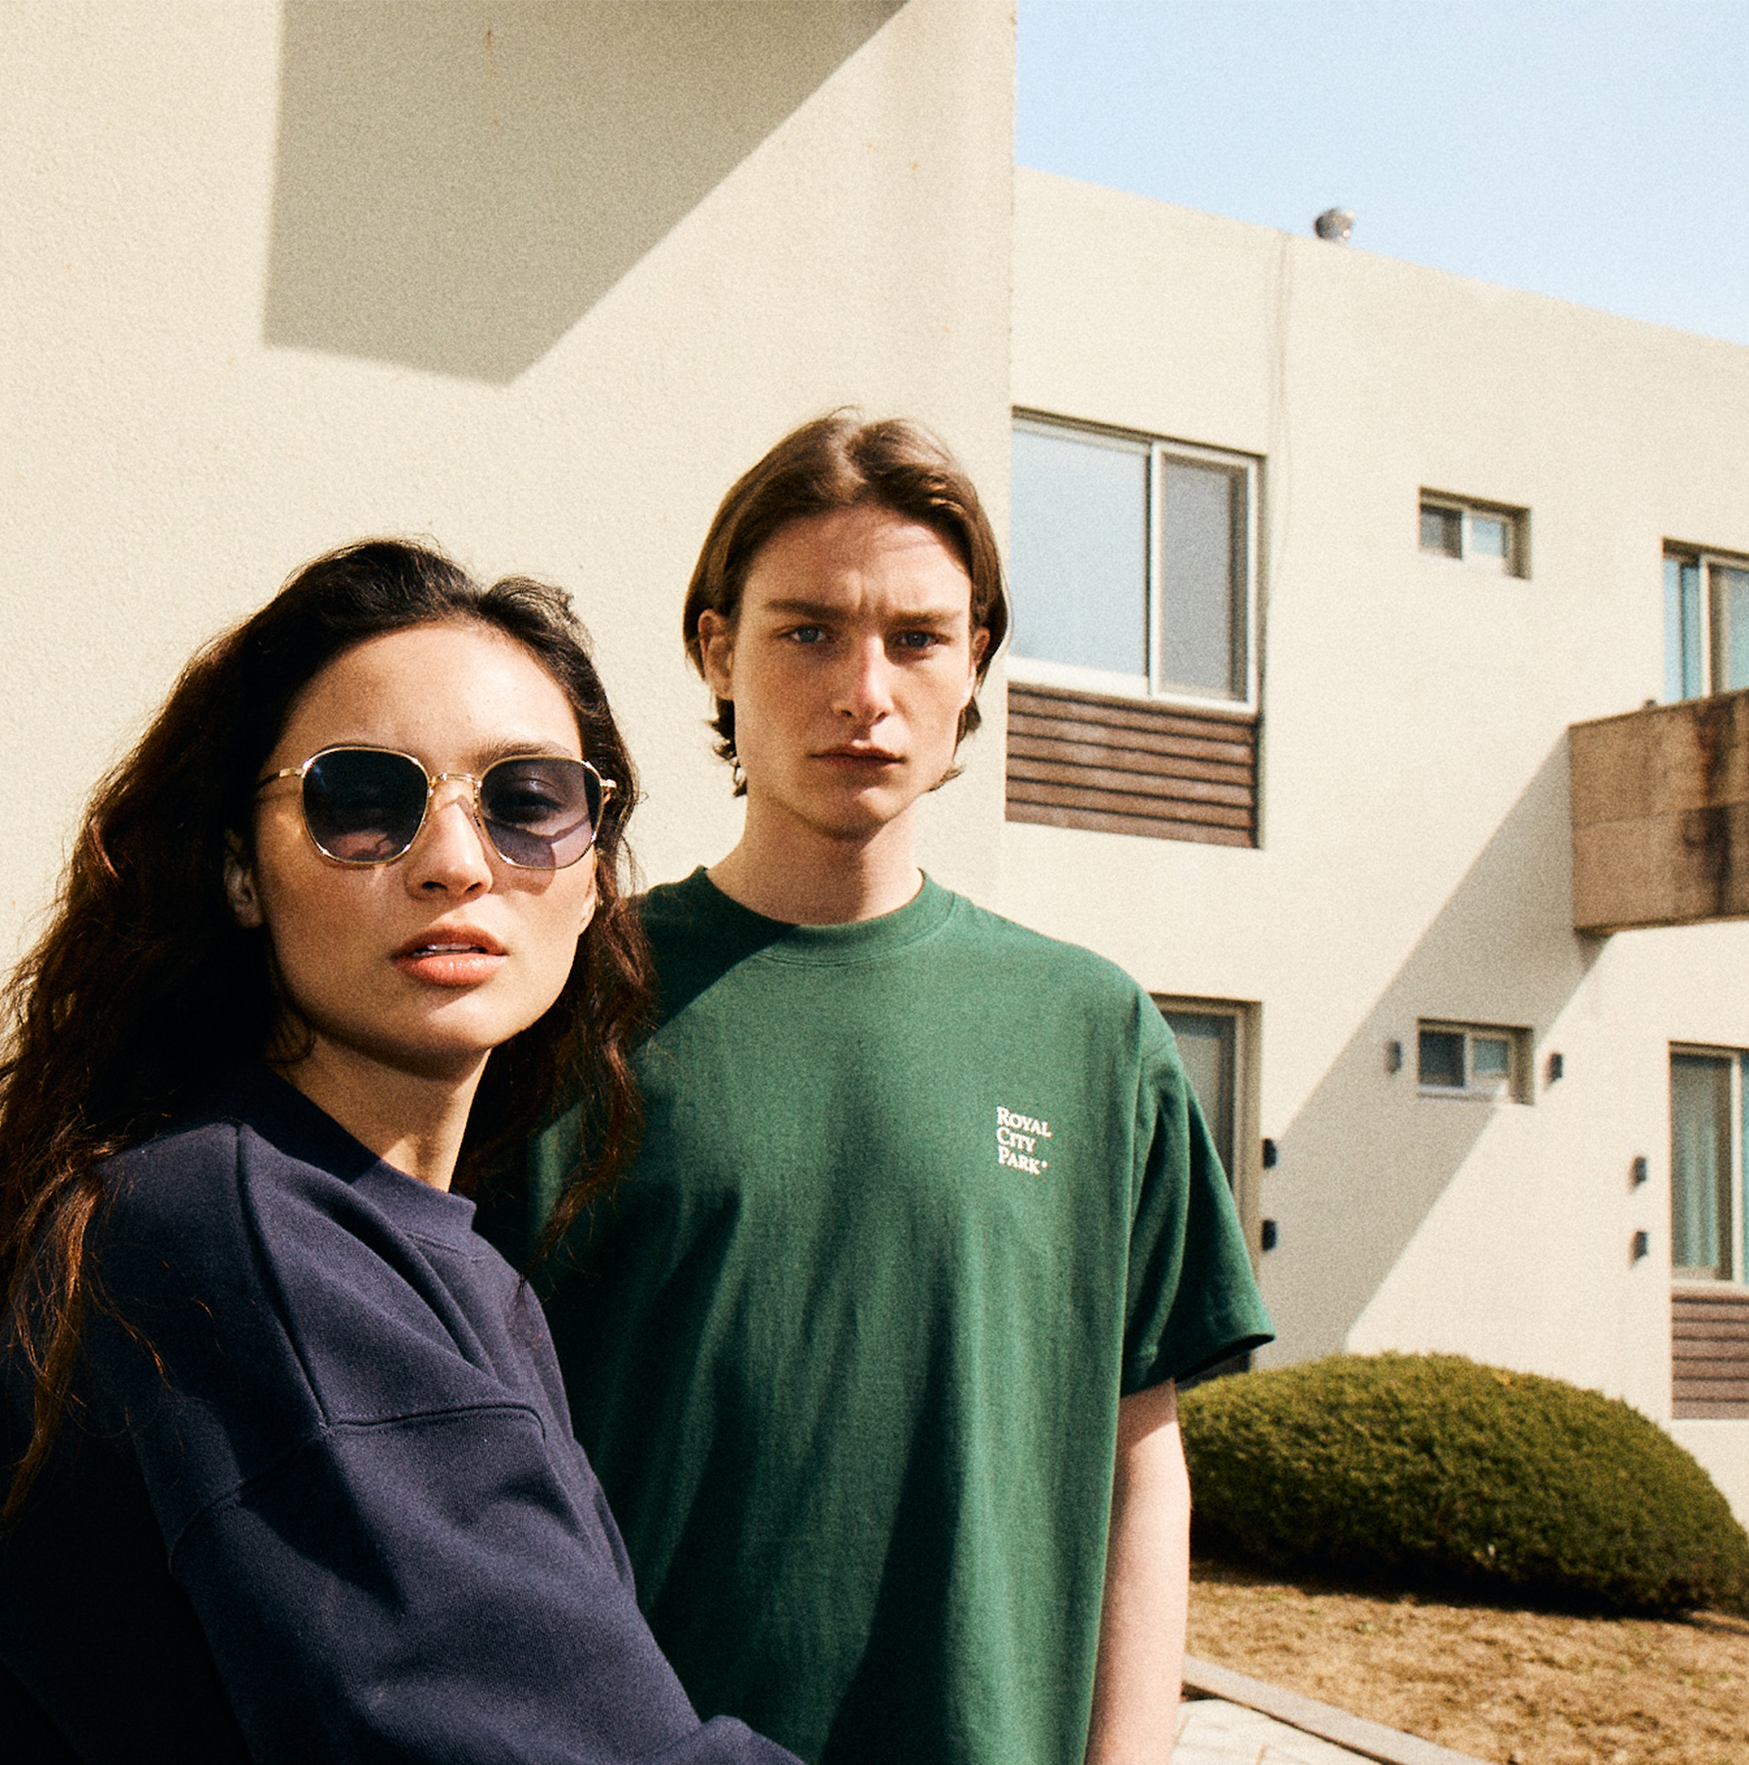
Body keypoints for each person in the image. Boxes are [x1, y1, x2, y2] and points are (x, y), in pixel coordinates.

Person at [0, 539, 802, 1764]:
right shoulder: (241, 1241)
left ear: (593, 869)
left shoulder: (409, 1251)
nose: (455, 861)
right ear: (240, 869)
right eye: (363, 800)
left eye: (527, 799)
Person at [483, 415, 1274, 1765]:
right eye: (808, 631)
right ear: (715, 648)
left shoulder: (1094, 1032)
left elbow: (1141, 1458)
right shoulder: (564, 1003)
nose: (866, 690)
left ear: (974, 663)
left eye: (916, 637)